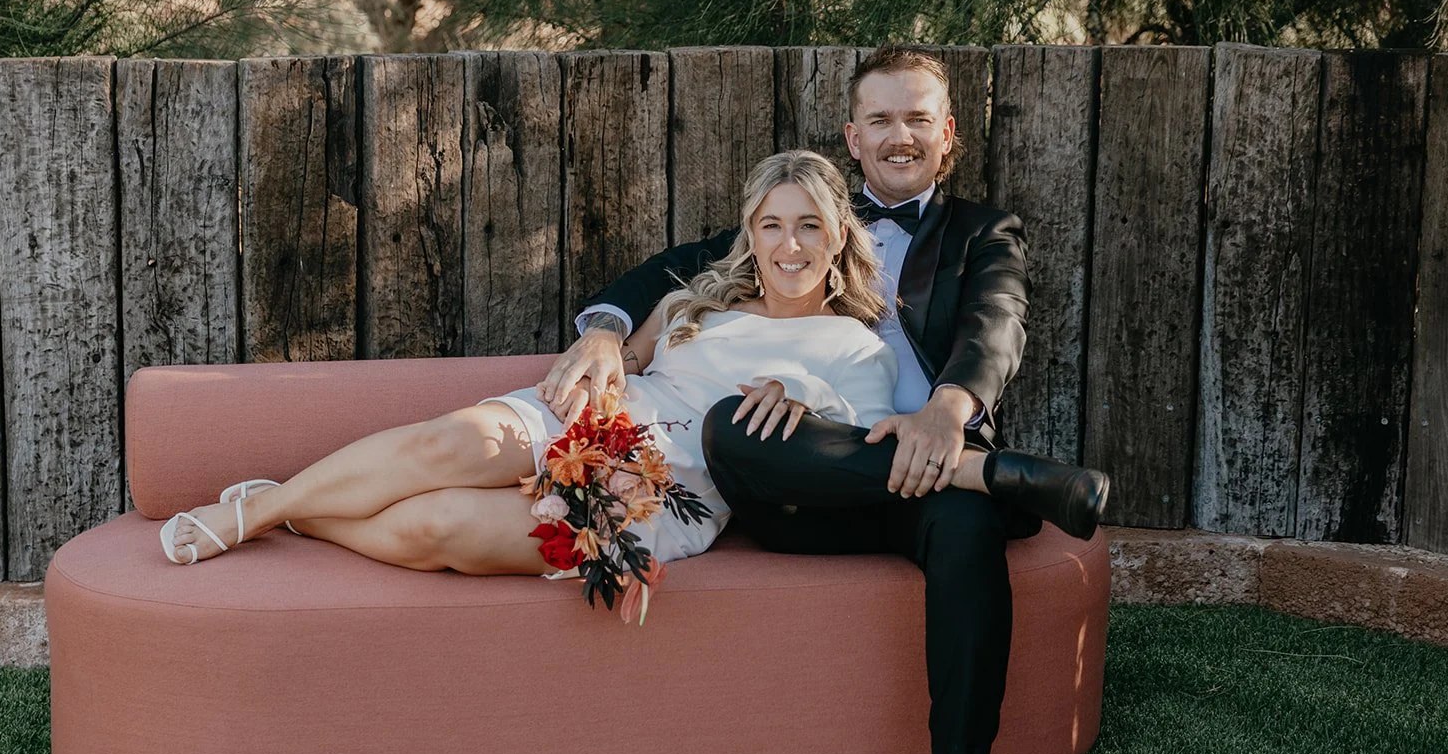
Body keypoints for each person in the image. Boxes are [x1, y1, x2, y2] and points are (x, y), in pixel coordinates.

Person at [539, 44, 1109, 754]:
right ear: (853, 133)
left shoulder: (980, 233)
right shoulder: (807, 219)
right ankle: (997, 477)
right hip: (809, 486)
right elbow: (676, 268)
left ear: (947, 135)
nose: (900, 135)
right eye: (881, 118)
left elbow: (996, 326)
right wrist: (608, 328)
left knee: (961, 530)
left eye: (918, 118)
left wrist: (946, 413)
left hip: (927, 473)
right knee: (736, 425)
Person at [158, 149, 901, 579]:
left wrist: (802, 394)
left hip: (669, 492)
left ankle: (300, 516)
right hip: (606, 414)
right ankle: (254, 511)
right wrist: (608, 343)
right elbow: (627, 357)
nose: (790, 245)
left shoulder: (858, 348)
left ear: (838, 237)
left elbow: (856, 465)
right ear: (750, 235)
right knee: (438, 447)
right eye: (772, 224)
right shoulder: (696, 304)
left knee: (439, 526)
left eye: (809, 225)